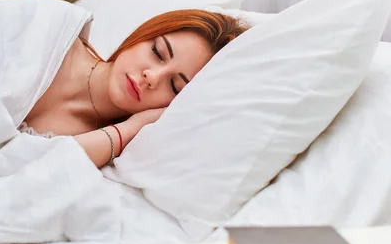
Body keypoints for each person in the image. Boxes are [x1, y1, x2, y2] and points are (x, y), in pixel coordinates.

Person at [19, 9, 246, 168]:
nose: (152, 77)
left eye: (174, 86)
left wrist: (130, 129)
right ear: (144, 34)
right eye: (158, 52)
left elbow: (38, 174)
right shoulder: (51, 32)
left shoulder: (105, 142)